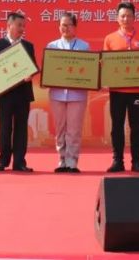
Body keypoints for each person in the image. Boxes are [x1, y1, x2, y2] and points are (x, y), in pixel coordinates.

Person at [103, 2, 139, 173]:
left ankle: (137, 161)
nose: (126, 18)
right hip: (117, 91)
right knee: (117, 126)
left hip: (136, 91)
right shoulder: (109, 39)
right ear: (117, 18)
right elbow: (105, 64)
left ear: (134, 17)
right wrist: (104, 79)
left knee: (136, 126)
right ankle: (118, 161)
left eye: (129, 15)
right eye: (122, 15)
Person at [0, 12, 38, 172]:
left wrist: (30, 74)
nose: (22, 28)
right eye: (19, 25)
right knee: (5, 128)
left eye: (23, 26)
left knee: (21, 129)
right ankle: (3, 161)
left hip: (22, 94)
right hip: (5, 95)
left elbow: (33, 67)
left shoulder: (28, 46)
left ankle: (19, 162)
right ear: (9, 25)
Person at [47, 13, 90, 173]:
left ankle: (72, 161)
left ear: (75, 27)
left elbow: (88, 71)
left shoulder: (84, 46)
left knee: (74, 129)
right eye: (63, 25)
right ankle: (62, 160)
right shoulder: (52, 46)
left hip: (77, 95)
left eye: (69, 25)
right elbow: (49, 70)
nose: (66, 28)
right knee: (60, 129)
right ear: (59, 27)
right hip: (57, 94)